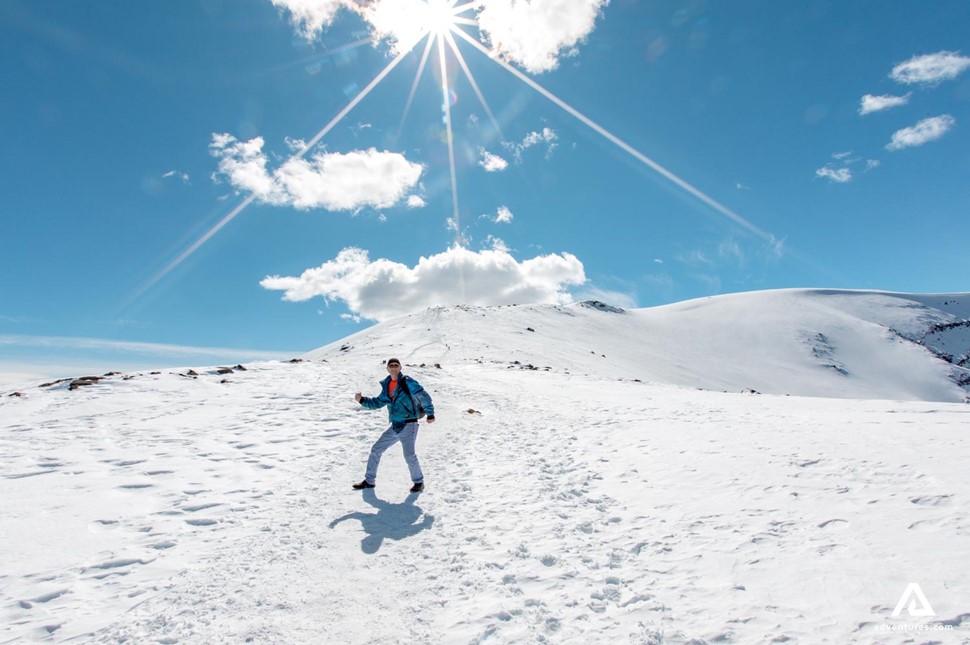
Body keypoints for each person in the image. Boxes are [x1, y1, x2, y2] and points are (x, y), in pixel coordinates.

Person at [353, 358, 436, 493]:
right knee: (376, 449)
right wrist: (362, 400)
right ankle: (369, 481)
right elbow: (378, 402)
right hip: (395, 425)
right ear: (387, 368)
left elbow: (423, 395)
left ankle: (419, 482)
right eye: (390, 365)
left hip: (409, 424)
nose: (393, 368)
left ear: (400, 368)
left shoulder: (407, 381)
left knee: (409, 455)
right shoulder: (387, 385)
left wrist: (430, 413)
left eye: (396, 365)